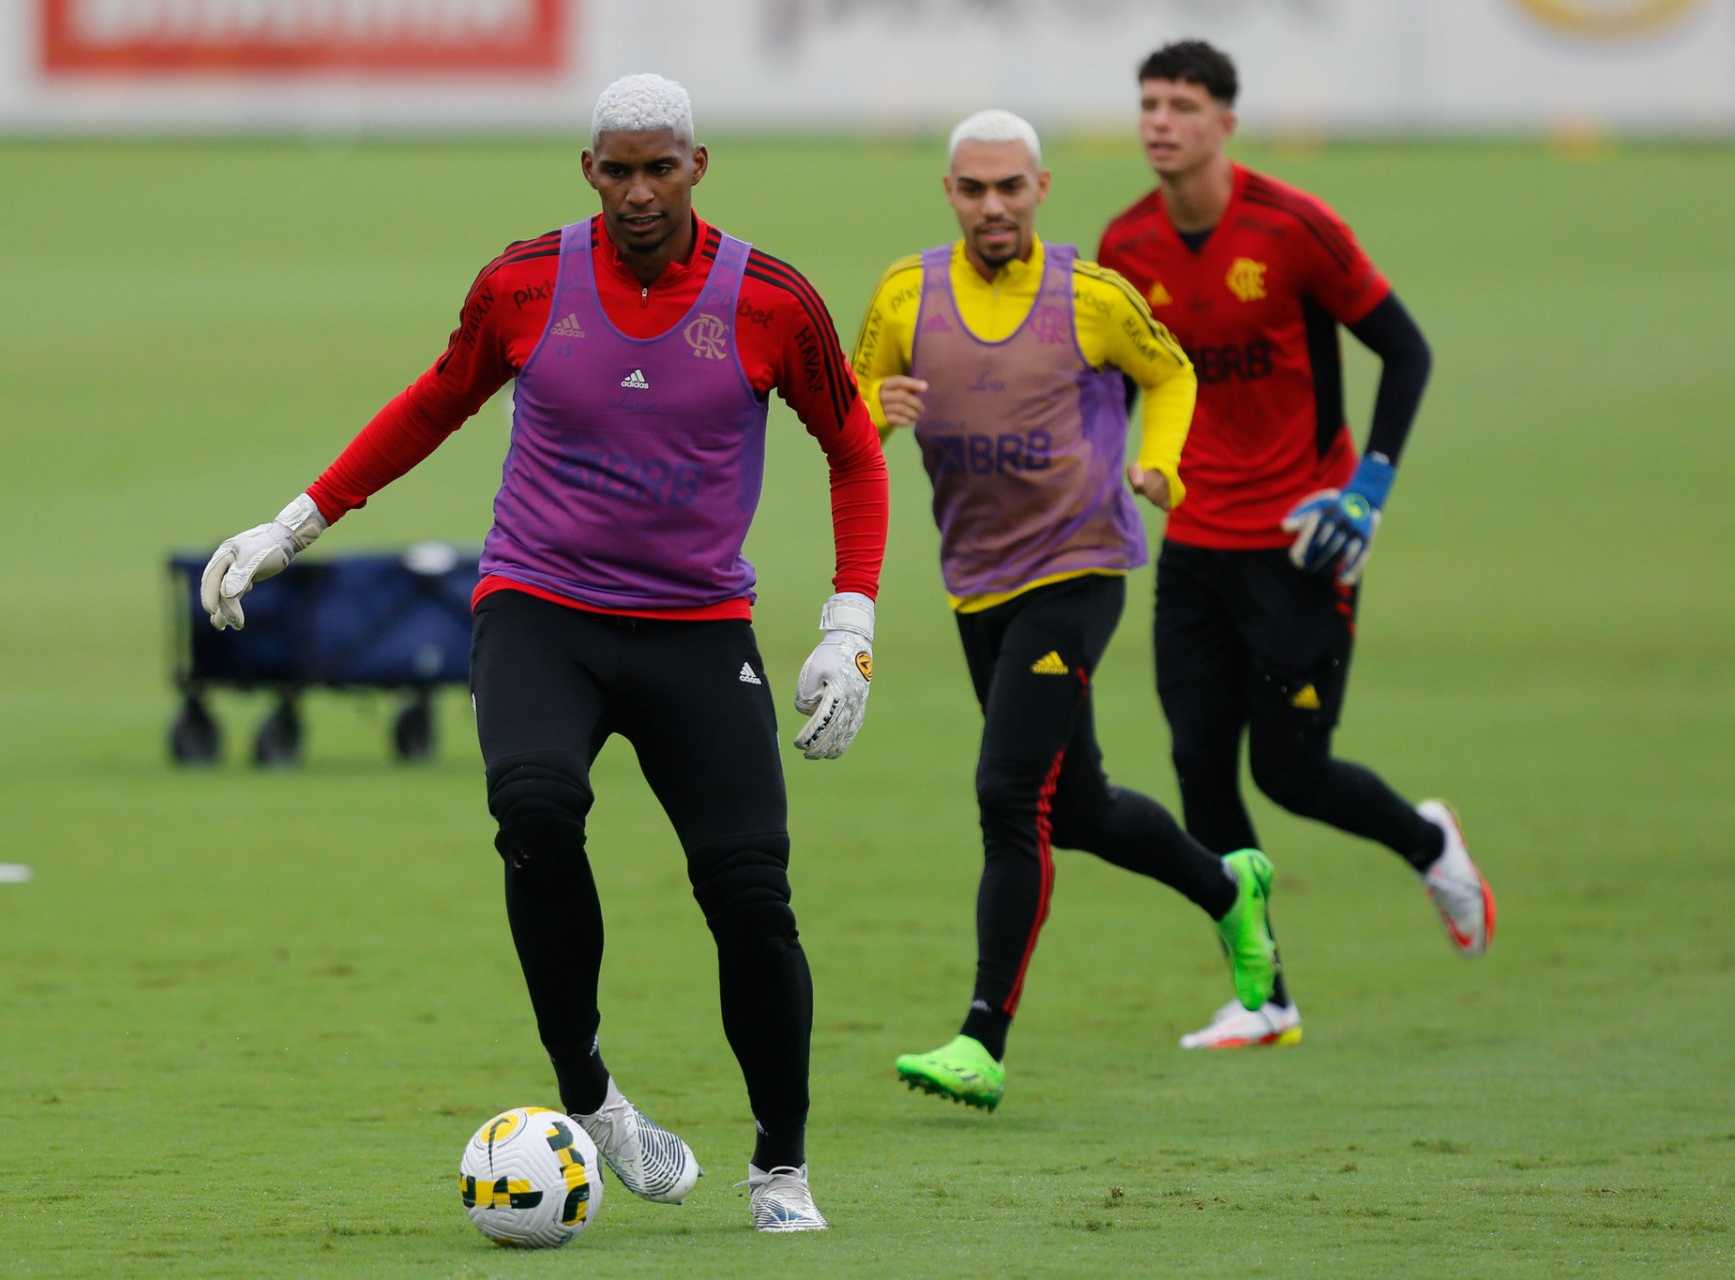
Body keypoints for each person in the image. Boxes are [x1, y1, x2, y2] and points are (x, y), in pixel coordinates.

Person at [198, 74, 888, 1231]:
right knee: (534, 807)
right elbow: (436, 399)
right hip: (540, 608)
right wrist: (296, 522)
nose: (637, 190)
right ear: (588, 170)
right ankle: (592, 1094)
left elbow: (855, 451)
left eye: (659, 167)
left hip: (698, 625)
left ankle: (780, 1166)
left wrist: (850, 621)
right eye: (615, 169)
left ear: (698, 166)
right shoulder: (523, 282)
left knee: (751, 896)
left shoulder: (773, 301)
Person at [850, 108, 1280, 1112]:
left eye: (1011, 186)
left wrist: (1160, 463)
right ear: (948, 193)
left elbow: (1170, 371)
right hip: (976, 582)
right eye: (973, 188)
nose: (993, 205)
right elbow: (850, 398)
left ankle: (981, 1038)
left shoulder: (1092, 297)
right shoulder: (906, 292)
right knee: (1075, 807)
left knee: (1009, 794)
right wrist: (876, 410)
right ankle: (1230, 887)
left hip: (1080, 569)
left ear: (1042, 187)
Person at [1097, 41, 1496, 1051]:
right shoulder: (1126, 243)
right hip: (1193, 539)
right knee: (1198, 766)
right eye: (1148, 103)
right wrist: (1137, 462)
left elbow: (1406, 349)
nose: (1159, 121)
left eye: (1181, 104)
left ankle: (1428, 840)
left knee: (1292, 772)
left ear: (1225, 122)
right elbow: (1119, 378)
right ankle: (1265, 993)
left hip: (1299, 541)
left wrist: (1367, 491)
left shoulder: (1293, 228)